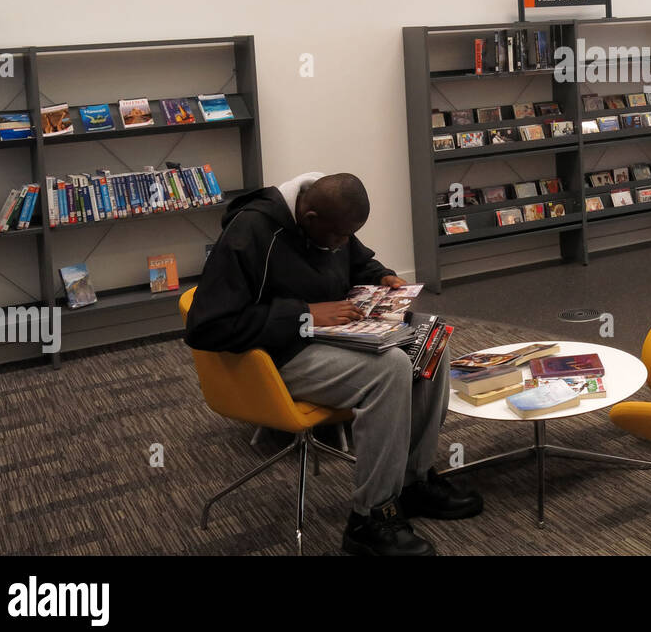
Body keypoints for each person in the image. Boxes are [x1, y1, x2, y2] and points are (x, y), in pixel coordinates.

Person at [185, 171, 481, 556]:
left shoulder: (327, 218)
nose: (343, 243)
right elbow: (208, 326)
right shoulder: (251, 232)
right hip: (274, 357)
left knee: (429, 343)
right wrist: (304, 314)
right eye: (338, 236)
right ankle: (369, 520)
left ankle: (413, 482)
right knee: (390, 369)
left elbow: (357, 262)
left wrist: (383, 277)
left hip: (325, 338)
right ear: (309, 219)